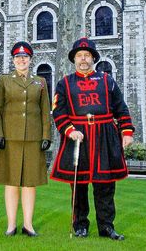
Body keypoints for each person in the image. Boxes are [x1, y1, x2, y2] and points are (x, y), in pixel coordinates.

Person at [50, 38, 134, 241]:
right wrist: (69, 130)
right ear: (74, 59)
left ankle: (106, 226)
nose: (83, 59)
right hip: (79, 138)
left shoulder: (107, 80)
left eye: (87, 55)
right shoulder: (65, 84)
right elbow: (58, 112)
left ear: (94, 58)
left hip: (105, 137)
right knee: (78, 185)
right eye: (79, 55)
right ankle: (80, 225)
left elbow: (120, 107)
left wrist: (127, 131)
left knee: (105, 185)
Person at [0, 41, 51, 238]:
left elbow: (44, 112)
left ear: (30, 59)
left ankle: (28, 224)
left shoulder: (40, 82)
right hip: (10, 138)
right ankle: (11, 225)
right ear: (13, 60)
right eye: (18, 57)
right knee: (11, 181)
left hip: (33, 138)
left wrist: (46, 136)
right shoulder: (4, 81)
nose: (22, 60)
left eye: (25, 57)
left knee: (29, 182)